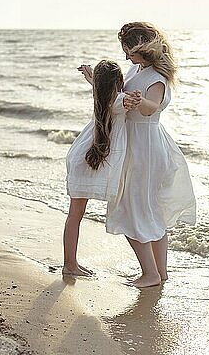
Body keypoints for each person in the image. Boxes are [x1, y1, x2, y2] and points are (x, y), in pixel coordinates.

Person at [106, 22, 197, 288]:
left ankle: (151, 274)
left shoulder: (156, 77)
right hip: (137, 142)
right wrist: (97, 82)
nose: (126, 58)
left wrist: (138, 101)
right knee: (148, 209)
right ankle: (160, 272)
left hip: (144, 147)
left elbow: (152, 107)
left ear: (143, 48)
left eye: (129, 52)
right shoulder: (138, 68)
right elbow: (120, 95)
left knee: (131, 208)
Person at [62, 59, 137, 276]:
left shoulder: (102, 98)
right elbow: (129, 100)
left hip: (80, 157)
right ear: (121, 81)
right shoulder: (120, 101)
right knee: (77, 214)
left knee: (75, 215)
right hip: (86, 158)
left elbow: (102, 87)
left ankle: (70, 264)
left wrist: (91, 78)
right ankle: (70, 265)